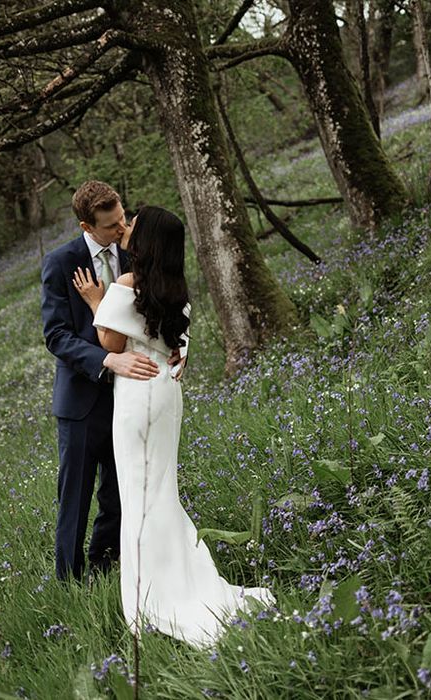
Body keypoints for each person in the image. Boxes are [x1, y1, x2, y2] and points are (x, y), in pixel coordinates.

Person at [73, 205, 275, 648]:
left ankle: (153, 602)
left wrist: (95, 300)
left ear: (145, 243)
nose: (126, 228)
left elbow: (109, 341)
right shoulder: (175, 289)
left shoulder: (128, 285)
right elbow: (175, 349)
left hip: (138, 398)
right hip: (166, 393)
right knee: (162, 490)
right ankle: (181, 577)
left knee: (140, 498)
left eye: (133, 226)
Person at [41, 181, 181, 583]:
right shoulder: (61, 262)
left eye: (123, 218)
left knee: (119, 493)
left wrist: (179, 345)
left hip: (132, 398)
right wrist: (107, 359)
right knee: (76, 497)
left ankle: (104, 569)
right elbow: (57, 336)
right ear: (87, 225)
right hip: (83, 401)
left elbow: (164, 300)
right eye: (111, 226)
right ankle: (68, 581)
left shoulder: (137, 250)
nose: (122, 230)